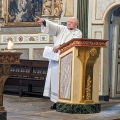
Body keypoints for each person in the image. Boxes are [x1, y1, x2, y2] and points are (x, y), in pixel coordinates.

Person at [35, 16, 82, 109]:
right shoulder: (62, 29)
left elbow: (73, 43)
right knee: (55, 81)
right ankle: (56, 102)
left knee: (63, 82)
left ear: (76, 24)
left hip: (67, 61)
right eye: (68, 21)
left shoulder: (78, 33)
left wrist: (60, 46)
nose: (68, 23)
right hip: (55, 60)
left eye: (71, 22)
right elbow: (53, 26)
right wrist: (44, 21)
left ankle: (64, 102)